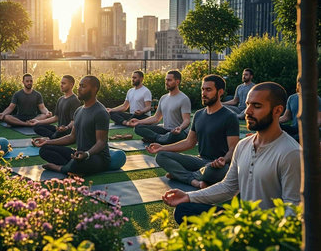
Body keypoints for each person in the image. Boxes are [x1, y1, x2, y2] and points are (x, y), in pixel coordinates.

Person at [162, 82, 301, 223]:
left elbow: (293, 207)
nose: (248, 111)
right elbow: (229, 187)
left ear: (277, 111)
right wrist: (188, 196)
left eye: (256, 106)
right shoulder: (243, 145)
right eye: (247, 104)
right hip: (242, 220)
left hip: (264, 230)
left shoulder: (291, 153)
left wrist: (263, 234)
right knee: (184, 209)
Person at [148, 75, 239, 188]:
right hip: (200, 161)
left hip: (218, 166)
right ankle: (192, 179)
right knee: (161, 156)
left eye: (208, 90)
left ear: (220, 92)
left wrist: (223, 160)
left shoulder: (230, 117)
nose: (204, 93)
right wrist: (162, 147)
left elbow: (233, 149)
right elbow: (189, 142)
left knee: (211, 170)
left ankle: (182, 175)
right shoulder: (199, 114)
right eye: (203, 89)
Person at [33, 76, 111, 176]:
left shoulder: (101, 112)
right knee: (45, 149)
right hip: (79, 154)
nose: (78, 88)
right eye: (79, 85)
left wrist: (87, 154)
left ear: (94, 89)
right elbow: (72, 137)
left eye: (83, 86)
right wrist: (47, 141)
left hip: (97, 158)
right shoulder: (78, 111)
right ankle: (72, 167)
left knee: (79, 163)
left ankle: (61, 168)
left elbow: (101, 142)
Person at [128, 70, 191, 145]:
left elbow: (187, 120)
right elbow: (156, 118)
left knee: (174, 135)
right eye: (166, 80)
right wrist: (139, 121)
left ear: (177, 82)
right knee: (138, 128)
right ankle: (160, 138)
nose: (166, 82)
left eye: (169, 80)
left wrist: (180, 128)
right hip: (165, 130)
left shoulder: (184, 99)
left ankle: (156, 138)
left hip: (177, 132)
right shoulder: (163, 98)